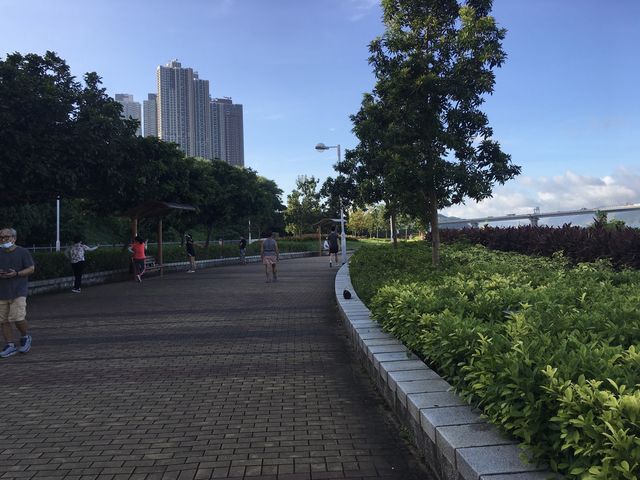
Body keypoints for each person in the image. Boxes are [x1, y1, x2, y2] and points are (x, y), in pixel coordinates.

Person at [0, 227, 35, 358]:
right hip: (2, 292)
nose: (3, 239)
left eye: (6, 237)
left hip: (18, 291)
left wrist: (17, 273)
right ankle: (10, 345)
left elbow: (31, 268)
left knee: (18, 317)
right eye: (1, 237)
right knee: (3, 321)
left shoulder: (23, 252)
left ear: (14, 238)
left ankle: (25, 336)